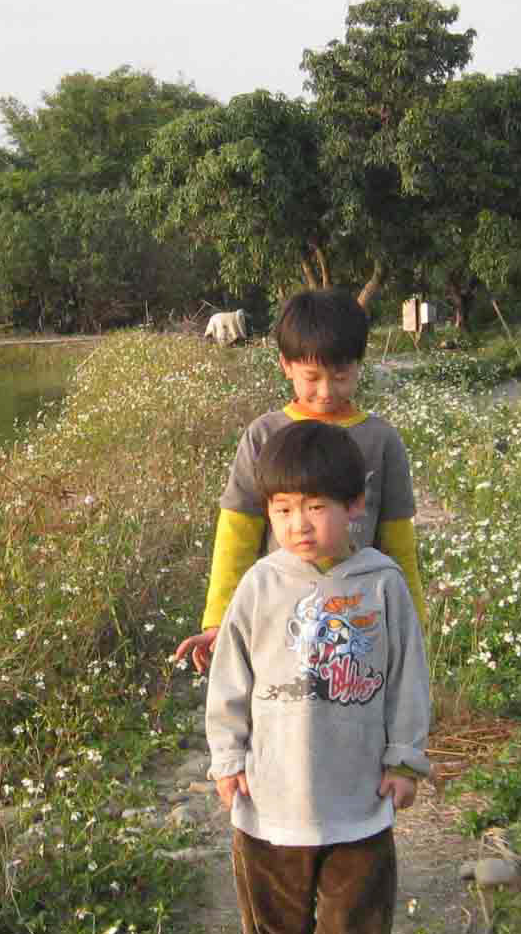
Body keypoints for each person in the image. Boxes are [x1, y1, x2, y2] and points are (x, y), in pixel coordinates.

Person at [206, 419, 431, 934]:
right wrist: (228, 759)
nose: (298, 525)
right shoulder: (260, 584)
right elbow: (230, 679)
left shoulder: (382, 583)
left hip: (358, 805)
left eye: (315, 507)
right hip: (269, 806)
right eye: (282, 509)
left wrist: (405, 760)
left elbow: (407, 678)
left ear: (355, 505)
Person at [173, 288, 423, 674]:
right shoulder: (263, 436)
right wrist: (219, 621)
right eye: (311, 377)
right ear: (285, 365)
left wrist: (413, 625)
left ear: (359, 365)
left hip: (358, 624)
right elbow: (237, 532)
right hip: (278, 621)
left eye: (340, 376)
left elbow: (399, 541)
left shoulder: (381, 441)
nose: (326, 391)